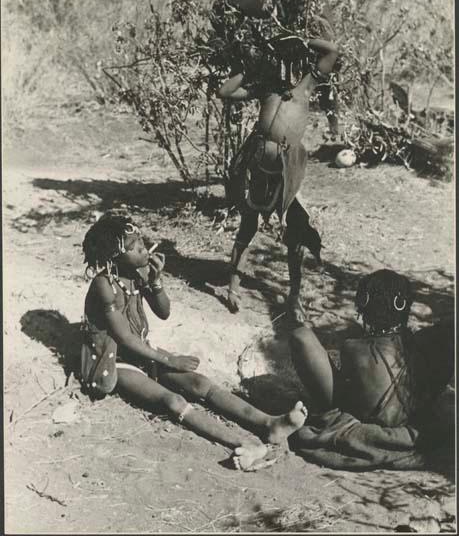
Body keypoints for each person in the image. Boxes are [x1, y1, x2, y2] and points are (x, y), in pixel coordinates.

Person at [80, 210, 307, 471]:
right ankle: (242, 443)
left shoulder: (136, 274)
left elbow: (163, 312)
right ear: (114, 257)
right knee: (172, 401)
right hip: (116, 360)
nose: (145, 250)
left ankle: (269, 424)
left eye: (143, 244)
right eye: (137, 247)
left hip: (141, 353)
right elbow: (124, 338)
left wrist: (156, 281)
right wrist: (169, 359)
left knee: (200, 383)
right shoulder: (104, 285)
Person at [218, 34, 341, 326]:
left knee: (296, 230)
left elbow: (332, 51)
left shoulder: (307, 85)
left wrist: (297, 35)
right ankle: (233, 288)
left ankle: (294, 296)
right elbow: (225, 91)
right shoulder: (266, 87)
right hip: (257, 164)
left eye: (293, 60)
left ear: (300, 61)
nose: (287, 68)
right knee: (248, 224)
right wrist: (247, 70)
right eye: (282, 60)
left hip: (287, 171)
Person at [288, 268, 454, 470]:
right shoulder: (423, 342)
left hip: (359, 415)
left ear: (363, 303)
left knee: (301, 336)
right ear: (404, 306)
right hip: (413, 419)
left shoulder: (352, 349)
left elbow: (349, 393)